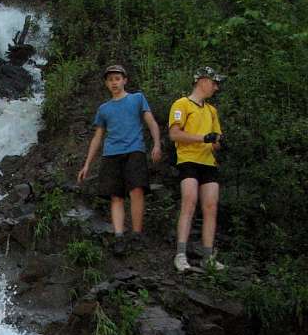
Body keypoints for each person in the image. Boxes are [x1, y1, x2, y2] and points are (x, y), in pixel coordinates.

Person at [77, 64, 162, 256]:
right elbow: (98, 137)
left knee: (136, 190)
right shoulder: (104, 109)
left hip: (134, 150)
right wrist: (87, 164)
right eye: (110, 80)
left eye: (117, 79)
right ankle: (119, 236)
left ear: (124, 80)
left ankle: (137, 234)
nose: (114, 83)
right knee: (116, 196)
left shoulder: (137, 99)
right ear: (107, 84)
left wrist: (157, 144)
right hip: (111, 154)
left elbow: (151, 122)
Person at [168, 66, 225, 274]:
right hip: (188, 160)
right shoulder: (182, 104)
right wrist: (203, 138)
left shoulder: (211, 110)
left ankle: (208, 257)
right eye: (213, 82)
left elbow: (215, 139)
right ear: (202, 81)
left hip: (208, 162)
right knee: (189, 201)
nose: (216, 87)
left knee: (210, 206)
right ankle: (181, 254)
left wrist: (218, 141)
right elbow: (174, 134)